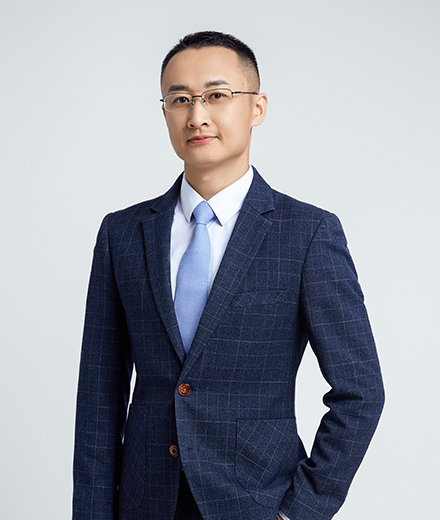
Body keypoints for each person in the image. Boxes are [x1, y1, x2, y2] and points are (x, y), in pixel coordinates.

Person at [73, 31, 384, 520]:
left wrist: (298, 512)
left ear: (257, 108)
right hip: (144, 503)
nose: (197, 115)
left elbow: (360, 392)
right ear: (164, 113)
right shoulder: (122, 233)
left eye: (216, 95)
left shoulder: (307, 233)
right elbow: (99, 397)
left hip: (257, 503)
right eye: (180, 99)